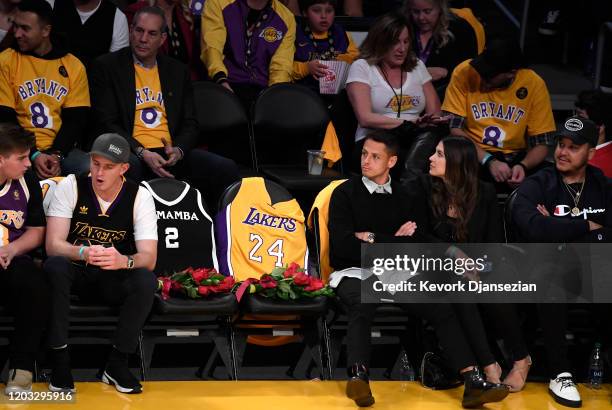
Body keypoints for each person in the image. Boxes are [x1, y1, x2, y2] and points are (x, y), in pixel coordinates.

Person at [328, 130, 509, 408]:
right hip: (355, 271)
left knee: (441, 307)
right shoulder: (344, 193)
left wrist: (372, 239)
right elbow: (343, 249)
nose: (366, 161)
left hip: (398, 271)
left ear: (391, 161)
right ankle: (359, 377)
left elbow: (416, 243)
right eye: (364, 154)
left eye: (375, 156)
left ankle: (472, 380)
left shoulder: (405, 194)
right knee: (363, 301)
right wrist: (392, 241)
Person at [409, 136, 532, 391]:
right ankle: (490, 365)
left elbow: (494, 245)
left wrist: (479, 268)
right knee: (458, 283)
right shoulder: (421, 187)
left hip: (480, 266)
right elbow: (417, 235)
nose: (431, 158)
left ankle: (520, 361)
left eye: (440, 154)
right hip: (436, 267)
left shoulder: (484, 192)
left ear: (457, 162)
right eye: (434, 153)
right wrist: (453, 253)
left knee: (492, 284)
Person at [89, 6, 239, 208]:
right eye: (139, 31)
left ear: (163, 39)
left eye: (152, 34)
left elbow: (190, 123)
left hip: (170, 153)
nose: (143, 39)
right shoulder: (107, 67)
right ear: (131, 31)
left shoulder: (177, 71)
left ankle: (216, 229)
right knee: (126, 167)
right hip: (132, 152)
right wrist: (142, 152)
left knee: (224, 168)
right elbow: (106, 122)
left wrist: (178, 150)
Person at [44, 133, 158, 394]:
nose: (99, 172)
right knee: (55, 266)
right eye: (95, 164)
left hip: (112, 274)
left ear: (124, 169)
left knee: (145, 279)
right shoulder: (70, 186)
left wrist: (123, 261)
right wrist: (83, 252)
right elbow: (53, 245)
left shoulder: (140, 196)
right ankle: (59, 361)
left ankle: (117, 364)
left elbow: (148, 258)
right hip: (77, 270)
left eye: (108, 167)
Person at [512, 115, 612, 408]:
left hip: (595, 272)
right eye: (561, 144)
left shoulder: (603, 186)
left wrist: (558, 226)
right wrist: (587, 226)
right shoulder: (539, 183)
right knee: (549, 271)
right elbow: (532, 227)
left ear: (591, 153)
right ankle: (560, 372)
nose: (562, 152)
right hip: (549, 272)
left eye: (573, 147)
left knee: (605, 269)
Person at [442, 36, 556, 189]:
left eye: (489, 75)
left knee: (551, 176)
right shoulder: (464, 71)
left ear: (511, 73)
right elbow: (455, 128)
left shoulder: (534, 83)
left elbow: (542, 143)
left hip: (515, 158)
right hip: (473, 153)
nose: (482, 79)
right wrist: (489, 160)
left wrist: (523, 166)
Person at [346, 12, 447, 179]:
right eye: (395, 42)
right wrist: (407, 123)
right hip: (376, 138)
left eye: (406, 42)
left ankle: (410, 179)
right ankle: (410, 184)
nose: (402, 49)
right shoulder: (363, 67)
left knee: (436, 134)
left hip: (415, 137)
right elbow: (365, 117)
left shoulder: (417, 66)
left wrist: (426, 122)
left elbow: (435, 113)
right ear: (380, 42)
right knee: (409, 152)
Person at [0, 0, 91, 178]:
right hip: (16, 147)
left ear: (45, 31)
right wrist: (33, 154)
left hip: (59, 151)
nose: (17, 34)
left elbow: (76, 120)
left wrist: (55, 155)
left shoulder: (73, 65)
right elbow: (5, 118)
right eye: (16, 27)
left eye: (25, 28)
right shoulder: (6, 61)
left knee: (89, 166)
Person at [0, 123, 48, 395]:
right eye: (20, 158)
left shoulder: (26, 180)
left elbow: (37, 230)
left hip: (13, 256)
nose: (28, 164)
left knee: (36, 285)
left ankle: (21, 369)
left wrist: (12, 249)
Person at [201, 0, 296, 108]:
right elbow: (212, 48)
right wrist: (221, 80)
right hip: (225, 85)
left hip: (263, 93)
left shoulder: (286, 18)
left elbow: (281, 67)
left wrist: (273, 97)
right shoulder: (218, 3)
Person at [403, 0, 478, 98]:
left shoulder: (460, 29)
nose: (421, 18)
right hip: (404, 95)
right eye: (415, 12)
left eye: (427, 11)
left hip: (447, 97)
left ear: (440, 8)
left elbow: (472, 70)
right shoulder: (402, 27)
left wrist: (447, 72)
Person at [126, 0, 204, 80]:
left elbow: (193, 66)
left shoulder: (185, 15)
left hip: (183, 85)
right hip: (148, 83)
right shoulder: (137, 12)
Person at [292, 0, 358, 94]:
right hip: (304, 94)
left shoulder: (341, 34)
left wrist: (339, 59)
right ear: (305, 13)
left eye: (329, 11)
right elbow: (285, 68)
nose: (324, 16)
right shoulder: (295, 35)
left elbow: (356, 59)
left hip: (338, 93)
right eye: (317, 10)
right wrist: (307, 68)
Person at [50, 0, 129, 69]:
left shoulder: (117, 18)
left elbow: (117, 67)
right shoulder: (52, 5)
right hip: (53, 80)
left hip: (94, 83)